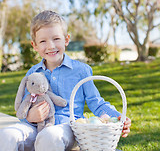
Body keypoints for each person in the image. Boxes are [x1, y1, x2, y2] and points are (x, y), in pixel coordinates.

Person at [0, 10, 131, 151]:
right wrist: (30, 117)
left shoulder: (81, 70)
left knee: (49, 136)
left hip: (66, 128)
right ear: (35, 46)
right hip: (34, 126)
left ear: (66, 40)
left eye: (56, 39)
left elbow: (96, 103)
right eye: (43, 41)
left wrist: (118, 117)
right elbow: (25, 106)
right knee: (7, 135)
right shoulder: (33, 73)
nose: (50, 46)